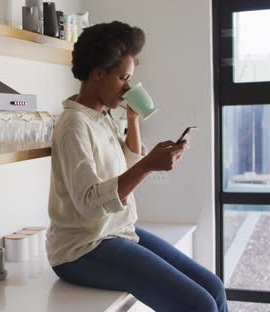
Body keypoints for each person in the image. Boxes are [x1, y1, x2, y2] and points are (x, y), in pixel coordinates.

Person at [46, 21, 228, 312]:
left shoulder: (102, 117)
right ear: (97, 73)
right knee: (199, 306)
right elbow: (90, 203)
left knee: (215, 289)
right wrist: (147, 166)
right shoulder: (73, 126)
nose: (128, 88)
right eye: (123, 79)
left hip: (117, 231)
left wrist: (132, 121)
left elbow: (125, 165)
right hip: (82, 249)